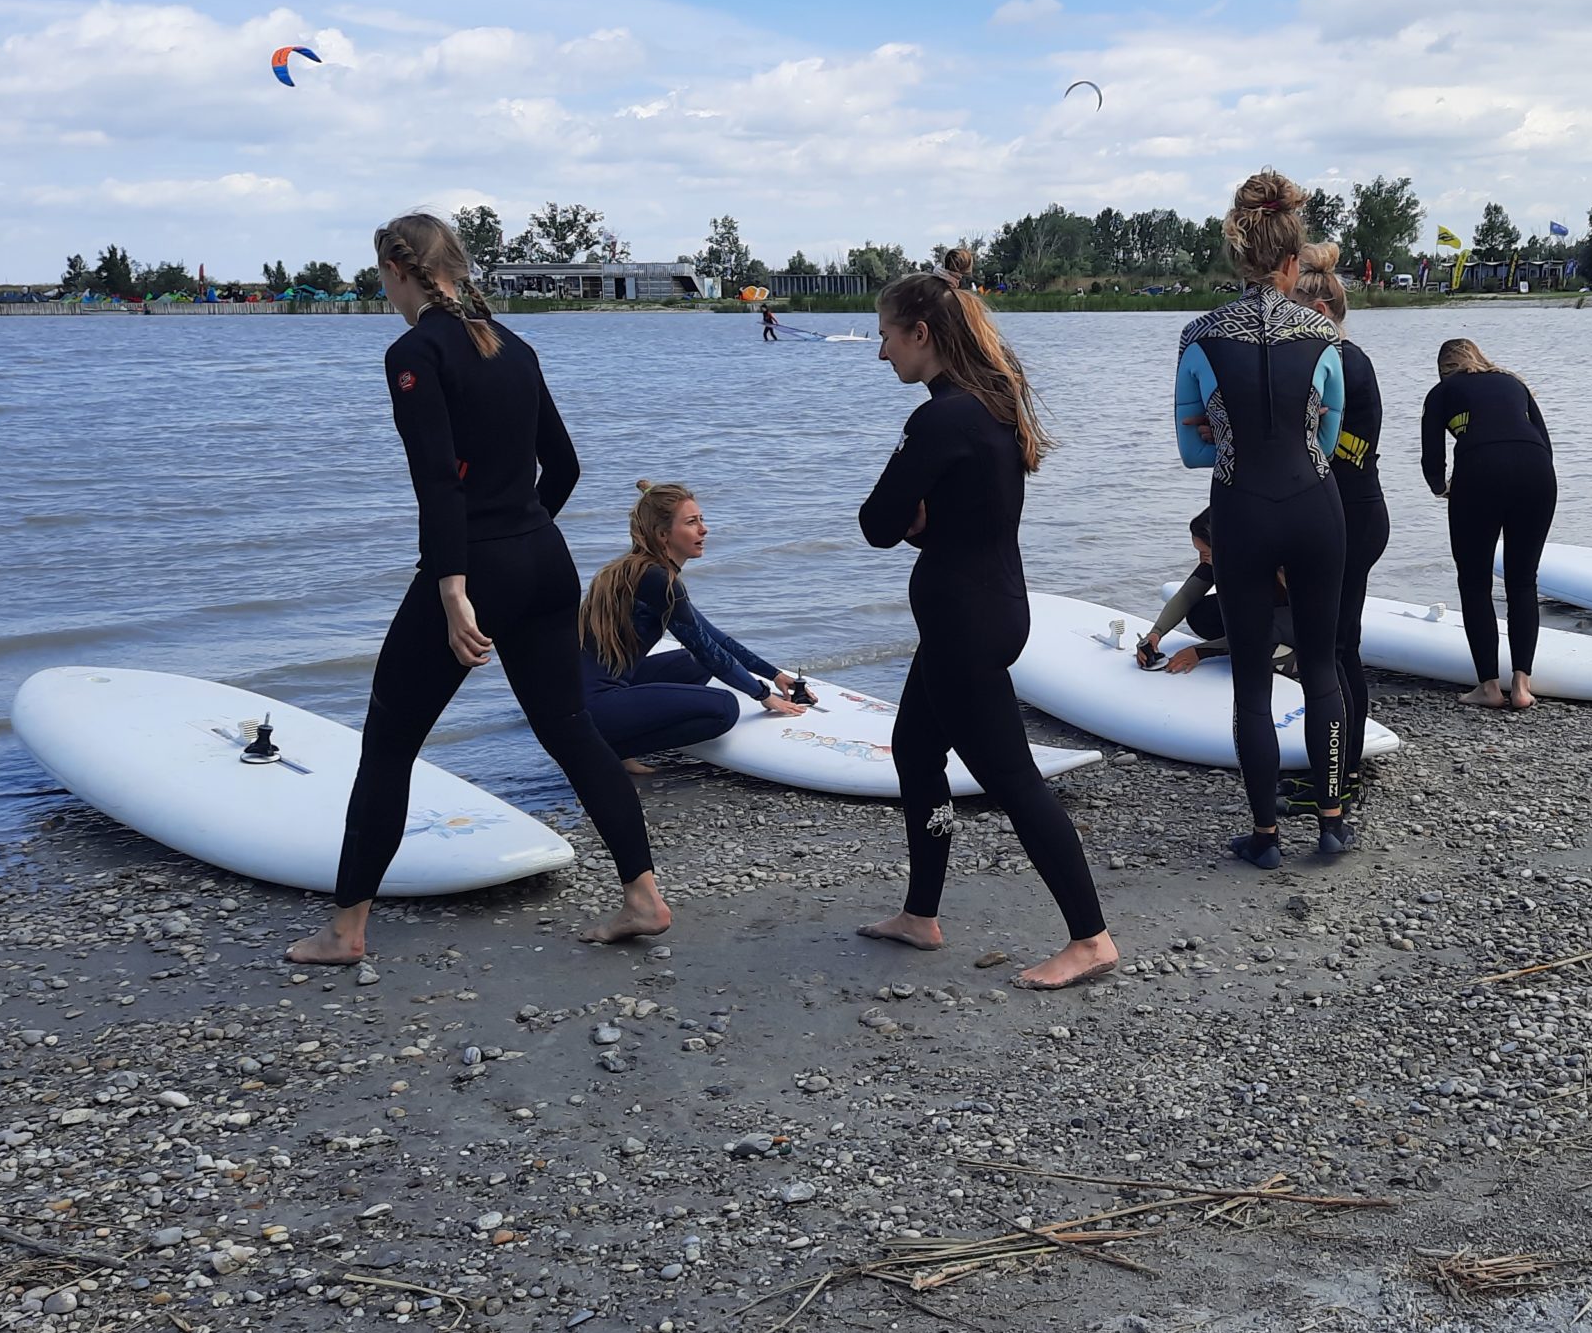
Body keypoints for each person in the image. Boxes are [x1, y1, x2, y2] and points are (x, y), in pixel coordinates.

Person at [286, 213, 666, 965]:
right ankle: (643, 897)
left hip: (474, 569)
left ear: (398, 268)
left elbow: (437, 485)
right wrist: (520, 537)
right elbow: (564, 468)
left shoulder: (414, 352)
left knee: (389, 745)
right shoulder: (516, 347)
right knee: (569, 729)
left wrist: (459, 587)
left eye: (381, 277)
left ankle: (346, 931)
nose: (383, 290)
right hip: (543, 559)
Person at [856, 270, 1118, 990]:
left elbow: (876, 523)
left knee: (1013, 781)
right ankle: (920, 913)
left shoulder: (939, 419)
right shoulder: (991, 405)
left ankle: (1090, 938)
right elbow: (956, 520)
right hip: (987, 606)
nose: (882, 354)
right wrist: (924, 521)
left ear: (921, 335)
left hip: (965, 622)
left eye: (885, 336)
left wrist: (913, 519)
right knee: (915, 751)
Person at [1175, 170, 1351, 867]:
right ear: (1291, 262)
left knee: (1251, 675)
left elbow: (1192, 449)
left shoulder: (1198, 336)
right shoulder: (1325, 335)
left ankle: (1266, 837)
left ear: (1238, 257)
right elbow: (1329, 443)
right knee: (1321, 667)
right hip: (1315, 506)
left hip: (1239, 507)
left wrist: (1229, 435)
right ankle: (1332, 824)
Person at [580, 481, 812, 770]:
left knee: (693, 664)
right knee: (724, 709)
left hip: (584, 697)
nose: (704, 530)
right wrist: (764, 697)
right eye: (692, 522)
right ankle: (607, 751)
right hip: (595, 707)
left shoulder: (641, 569)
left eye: (702, 520)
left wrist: (774, 674)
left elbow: (713, 639)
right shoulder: (657, 581)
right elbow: (707, 650)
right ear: (663, 534)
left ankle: (615, 739)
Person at [1291, 241, 1387, 801]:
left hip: (1350, 517)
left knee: (1330, 651)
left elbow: (1322, 447)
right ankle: (1342, 770)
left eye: (1299, 320)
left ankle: (1337, 776)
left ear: (1321, 314)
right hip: (1358, 512)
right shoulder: (1351, 359)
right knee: (1339, 647)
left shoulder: (1341, 361)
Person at [1420, 336, 1556, 708]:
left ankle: (1489, 687)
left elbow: (1432, 458)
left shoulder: (1442, 391)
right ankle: (1523, 685)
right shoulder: (1514, 382)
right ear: (1478, 357)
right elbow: (1544, 441)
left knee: (1475, 582)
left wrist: (1442, 488)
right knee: (1523, 580)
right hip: (1537, 473)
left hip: (1480, 474)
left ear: (1444, 367)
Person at [1134, 509, 1294, 675]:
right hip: (1268, 620)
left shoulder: (1281, 564)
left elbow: (1265, 625)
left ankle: (1293, 662)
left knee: (1260, 637)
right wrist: (1155, 634)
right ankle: (1240, 645)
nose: (1202, 560)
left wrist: (1200, 652)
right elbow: (1186, 596)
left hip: (1306, 625)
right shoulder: (1224, 557)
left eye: (1205, 553)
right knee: (1202, 614)